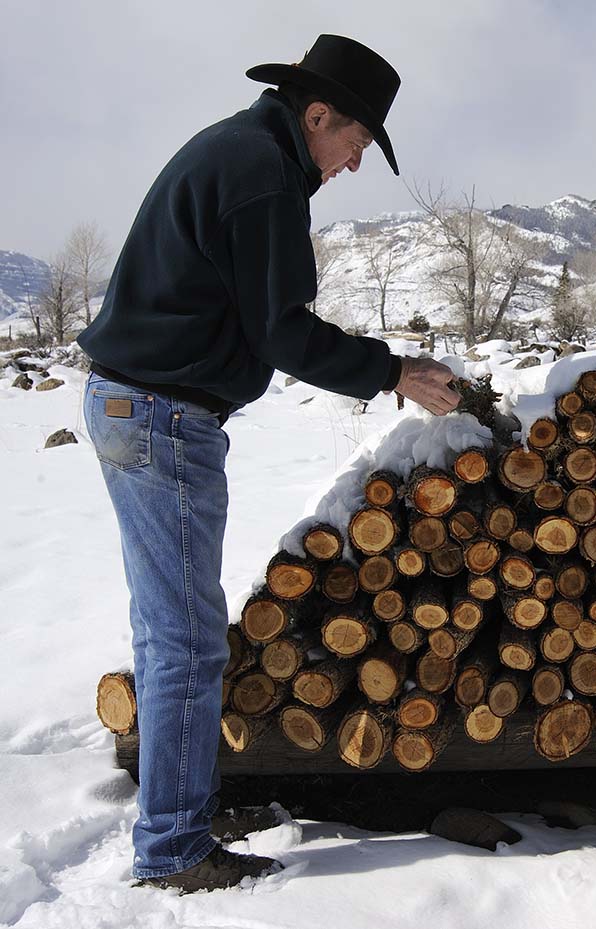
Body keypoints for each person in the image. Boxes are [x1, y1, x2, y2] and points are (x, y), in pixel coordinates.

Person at [76, 34, 460, 893]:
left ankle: (181, 804)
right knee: (183, 638)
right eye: (355, 146)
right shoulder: (260, 176)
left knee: (170, 625)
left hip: (137, 401)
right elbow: (282, 331)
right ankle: (174, 847)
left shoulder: (247, 155)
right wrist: (394, 371)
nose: (353, 166)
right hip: (160, 412)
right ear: (317, 114)